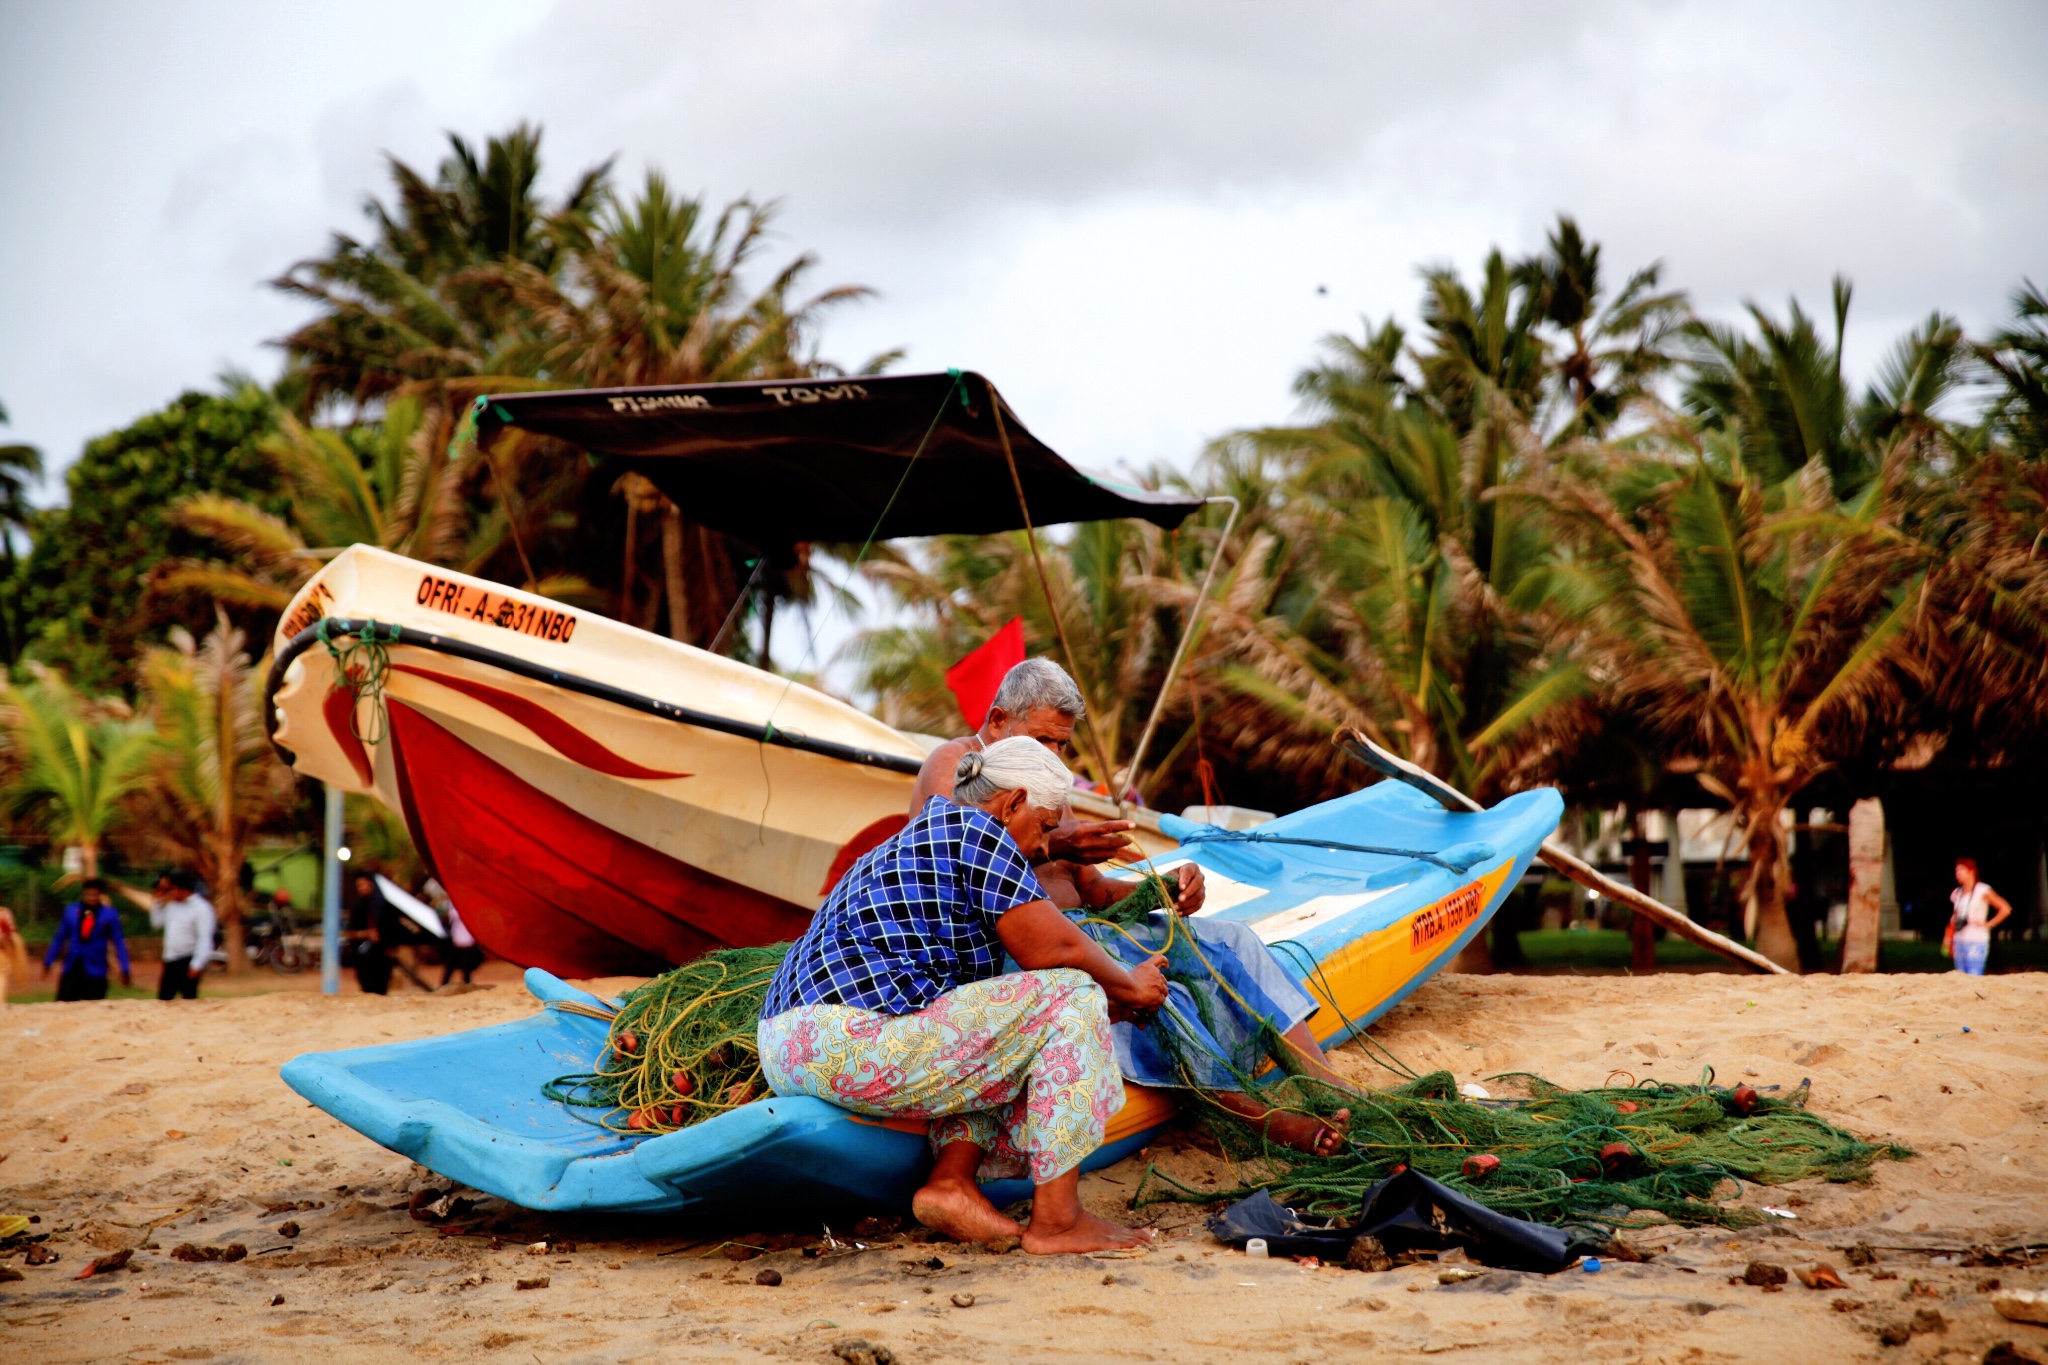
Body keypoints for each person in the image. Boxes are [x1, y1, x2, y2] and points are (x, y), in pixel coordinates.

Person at [912, 657, 1351, 1154]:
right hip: (1015, 944)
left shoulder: (1047, 780)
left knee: (1233, 941)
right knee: (1153, 986)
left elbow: (1095, 892)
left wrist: (1166, 888)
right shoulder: (957, 762)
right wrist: (1059, 845)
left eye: (1062, 743)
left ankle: (1327, 1086)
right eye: (1043, 741)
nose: (1054, 755)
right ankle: (1249, 1114)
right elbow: (965, 845)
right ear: (997, 721)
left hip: (1089, 923)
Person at [759, 737, 1167, 1254]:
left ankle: (951, 1185)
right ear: (1013, 802)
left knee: (1009, 1029)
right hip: (847, 1038)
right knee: (1073, 992)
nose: (1044, 847)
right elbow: (1054, 945)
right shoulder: (978, 830)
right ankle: (1059, 1221)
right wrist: (1129, 984)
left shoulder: (918, 836)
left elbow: (982, 1012)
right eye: (1043, 826)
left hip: (790, 1044)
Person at [39, 879, 132, 1001]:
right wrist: (48, 962)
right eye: (89, 894)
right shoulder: (71, 911)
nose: (91, 898)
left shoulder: (109, 914)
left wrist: (125, 969)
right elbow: (59, 938)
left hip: (96, 969)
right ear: (84, 894)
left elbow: (118, 942)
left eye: (95, 895)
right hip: (72, 966)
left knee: (93, 1009)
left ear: (100, 895)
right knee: (63, 1005)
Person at [1944, 857, 2012, 977]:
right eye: (1956, 871)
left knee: (1974, 975)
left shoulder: (1982, 890)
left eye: (1961, 870)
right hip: (1959, 939)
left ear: (1971, 871)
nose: (1957, 874)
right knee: (1960, 976)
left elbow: (2005, 909)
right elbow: (1956, 913)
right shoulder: (1957, 893)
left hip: (1976, 939)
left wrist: (1989, 924)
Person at [156, 870, 215, 1000]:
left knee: (189, 999)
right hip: (171, 959)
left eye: (171, 889)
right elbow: (157, 923)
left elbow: (205, 938)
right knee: (164, 999)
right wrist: (158, 901)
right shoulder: (172, 906)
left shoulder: (201, 908)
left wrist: (197, 964)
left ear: (181, 889)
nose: (169, 893)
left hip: (188, 959)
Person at [348, 870, 404, 994]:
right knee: (367, 988)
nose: (362, 888)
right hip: (364, 955)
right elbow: (351, 931)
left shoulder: (385, 907)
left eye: (364, 884)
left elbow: (393, 928)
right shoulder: (358, 907)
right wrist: (367, 934)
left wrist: (390, 946)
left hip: (382, 954)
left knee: (381, 987)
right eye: (359, 885)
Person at [0, 903, 29, 1007]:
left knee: (2, 976)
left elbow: (11, 933)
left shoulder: (3, 913)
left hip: (1, 955)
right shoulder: (4, 914)